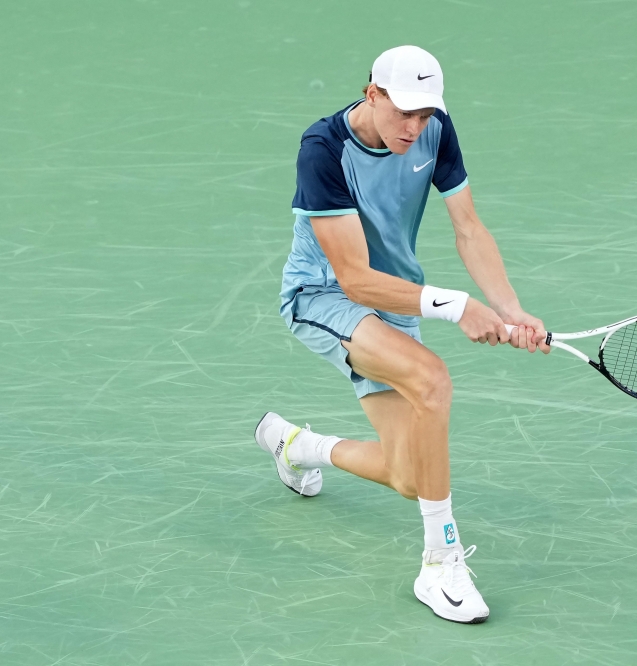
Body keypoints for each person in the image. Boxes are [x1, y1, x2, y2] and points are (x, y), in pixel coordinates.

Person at [254, 45, 548, 624]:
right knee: (431, 379)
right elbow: (355, 279)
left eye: (425, 115)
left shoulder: (435, 130)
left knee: (411, 476)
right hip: (325, 297)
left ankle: (296, 446)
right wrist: (456, 305)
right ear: (373, 94)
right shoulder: (324, 149)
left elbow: (468, 227)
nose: (414, 128)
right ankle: (440, 565)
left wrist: (509, 308)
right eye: (403, 113)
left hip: (397, 303)